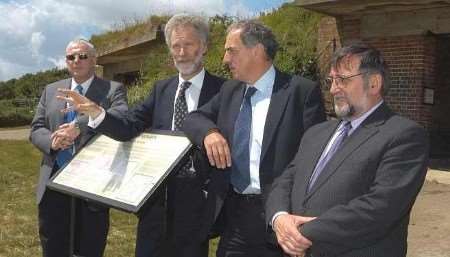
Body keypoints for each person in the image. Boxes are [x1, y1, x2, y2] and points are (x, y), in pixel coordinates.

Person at [59, 14, 225, 257]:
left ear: (204, 47)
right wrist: (97, 112)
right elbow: (129, 125)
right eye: (175, 46)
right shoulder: (161, 89)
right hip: (153, 201)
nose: (181, 52)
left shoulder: (224, 90)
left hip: (196, 202)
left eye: (188, 44)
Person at [266, 42, 429, 257]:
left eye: (342, 80)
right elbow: (285, 181)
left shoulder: (404, 135)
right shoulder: (315, 133)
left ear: (373, 83)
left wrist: (299, 234)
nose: (333, 89)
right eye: (331, 80)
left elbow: (380, 208)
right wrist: (279, 218)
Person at [182, 20, 326, 257]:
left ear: (257, 50)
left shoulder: (301, 92)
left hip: (279, 218)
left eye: (231, 50)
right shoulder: (230, 90)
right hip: (234, 215)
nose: (225, 60)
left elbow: (314, 158)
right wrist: (210, 133)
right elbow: (193, 119)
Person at [30, 39, 128, 257]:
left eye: (82, 56)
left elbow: (120, 117)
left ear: (94, 60)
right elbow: (36, 128)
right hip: (53, 180)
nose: (76, 60)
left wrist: (78, 126)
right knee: (53, 245)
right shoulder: (51, 90)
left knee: (89, 247)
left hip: (92, 184)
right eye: (71, 57)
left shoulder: (113, 90)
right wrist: (52, 141)